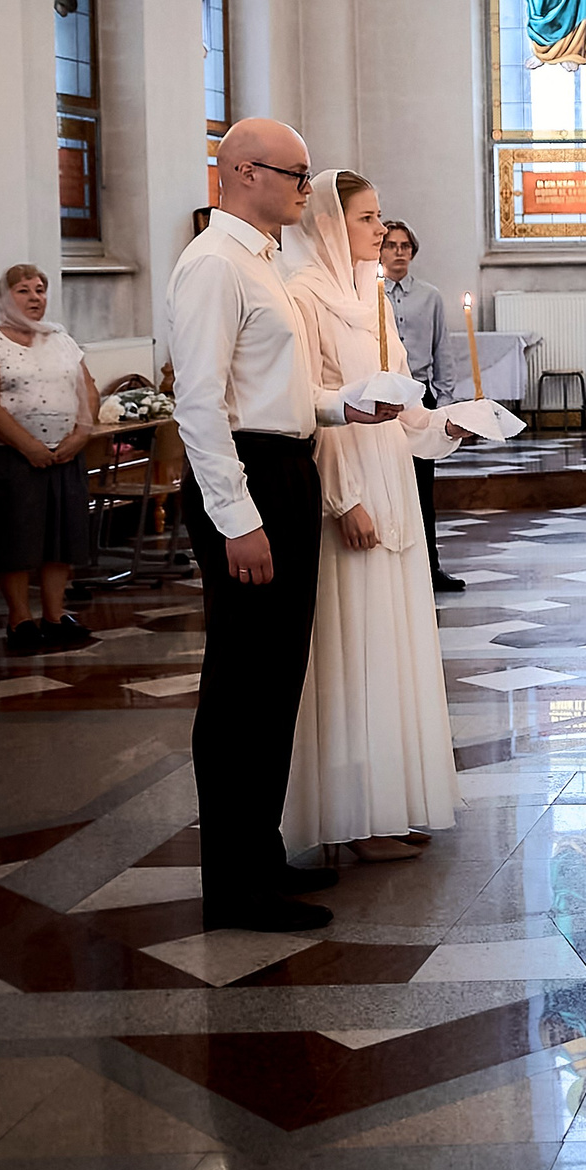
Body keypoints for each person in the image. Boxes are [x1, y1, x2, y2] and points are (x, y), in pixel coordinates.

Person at [169, 117, 393, 933]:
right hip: (247, 481)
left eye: (306, 176)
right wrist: (237, 517)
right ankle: (231, 886)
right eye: (295, 174)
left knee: (276, 682)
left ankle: (259, 853)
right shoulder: (212, 265)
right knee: (240, 689)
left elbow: (274, 394)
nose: (307, 187)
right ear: (239, 172)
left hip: (285, 466)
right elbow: (199, 404)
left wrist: (342, 405)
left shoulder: (260, 262)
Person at [281, 173, 470, 865]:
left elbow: (402, 405)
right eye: (366, 219)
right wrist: (344, 498)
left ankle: (390, 803)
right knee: (355, 651)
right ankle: (354, 812)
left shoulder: (373, 297)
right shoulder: (304, 295)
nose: (379, 232)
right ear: (332, 224)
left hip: (394, 476)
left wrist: (452, 427)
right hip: (352, 486)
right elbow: (313, 404)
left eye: (381, 218)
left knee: (394, 647)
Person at [0, 266, 98, 653]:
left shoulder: (62, 340)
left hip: (64, 453)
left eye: (40, 290)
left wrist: (80, 435)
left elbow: (87, 389)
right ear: (4, 297)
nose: (35, 298)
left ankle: (55, 614)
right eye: (24, 291)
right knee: (15, 540)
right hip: (12, 458)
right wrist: (29, 447)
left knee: (62, 536)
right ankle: (20, 618)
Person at [379, 219, 464, 594]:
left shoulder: (428, 296)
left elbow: (442, 350)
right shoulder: (369, 293)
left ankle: (430, 567)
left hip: (419, 394)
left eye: (405, 246)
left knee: (421, 488)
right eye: (391, 245)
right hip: (383, 399)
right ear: (380, 251)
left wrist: (443, 405)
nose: (399, 252)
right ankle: (391, 570)